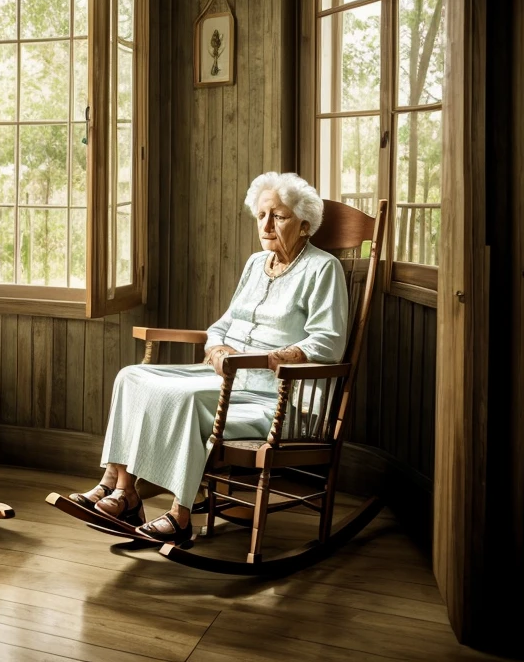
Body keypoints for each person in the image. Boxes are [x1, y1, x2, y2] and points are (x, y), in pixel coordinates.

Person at [68, 171, 349, 545]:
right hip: (224, 378)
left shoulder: (322, 268)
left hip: (273, 396)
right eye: (262, 215)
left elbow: (329, 342)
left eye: (278, 217)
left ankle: (180, 514)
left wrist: (266, 359)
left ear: (304, 226)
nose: (266, 224)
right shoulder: (256, 263)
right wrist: (215, 347)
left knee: (184, 400)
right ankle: (120, 487)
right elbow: (224, 323)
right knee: (131, 376)